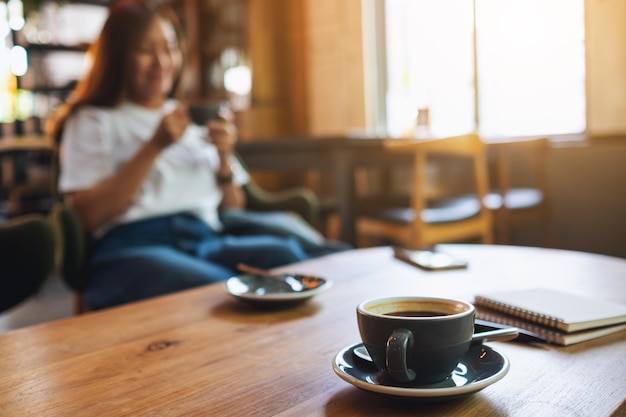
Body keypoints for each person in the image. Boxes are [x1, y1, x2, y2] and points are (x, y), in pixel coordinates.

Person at [47, 0, 309, 311]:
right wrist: (153, 147)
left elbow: (233, 206)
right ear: (118, 57)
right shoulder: (93, 119)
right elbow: (86, 217)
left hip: (205, 238)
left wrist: (224, 157)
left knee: (285, 261)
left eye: (170, 47)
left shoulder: (188, 117)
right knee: (219, 291)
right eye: (145, 50)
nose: (162, 61)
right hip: (132, 248)